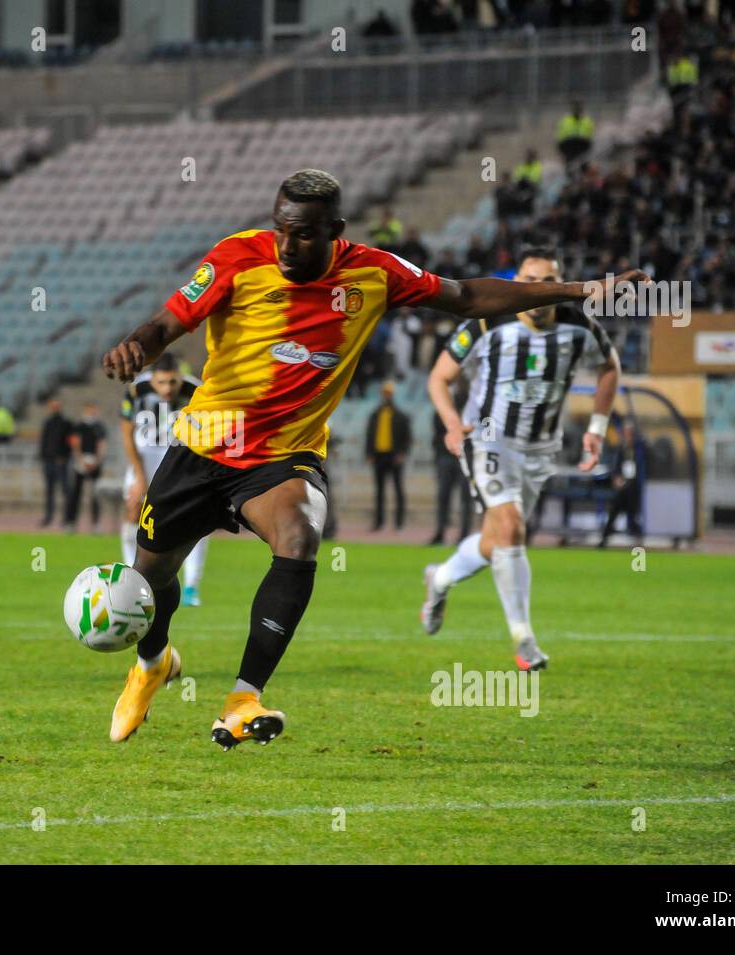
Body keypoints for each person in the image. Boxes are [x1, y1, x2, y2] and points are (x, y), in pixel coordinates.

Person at [101, 170, 636, 748]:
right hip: (202, 445)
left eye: (304, 234)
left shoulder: (374, 273)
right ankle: (153, 663)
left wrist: (579, 290)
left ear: (335, 231)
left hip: (283, 456)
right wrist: (137, 345)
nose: (287, 245)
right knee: (148, 583)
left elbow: (466, 297)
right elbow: (165, 324)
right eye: (282, 228)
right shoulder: (235, 256)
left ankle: (243, 697)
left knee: (299, 536)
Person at [422, 248, 636, 671]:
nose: (537, 292)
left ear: (559, 283)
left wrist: (595, 429)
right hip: (487, 440)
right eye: (529, 281)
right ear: (517, 283)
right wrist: (450, 423)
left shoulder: (580, 327)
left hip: (540, 449)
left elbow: (610, 367)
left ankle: (440, 578)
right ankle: (524, 641)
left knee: (497, 541)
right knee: (511, 525)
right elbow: (439, 377)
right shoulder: (486, 321)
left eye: (547, 282)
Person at [119, 353, 209, 606]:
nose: (167, 389)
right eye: (161, 383)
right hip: (145, 453)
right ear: (153, 378)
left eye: (172, 382)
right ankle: (132, 576)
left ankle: (191, 586)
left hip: (179, 453)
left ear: (180, 378)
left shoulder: (197, 390)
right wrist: (139, 475)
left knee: (197, 518)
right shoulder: (137, 391)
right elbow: (127, 435)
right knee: (134, 510)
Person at [429, 378, 472, 545]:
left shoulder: (473, 404)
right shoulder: (443, 408)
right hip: (447, 456)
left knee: (465, 499)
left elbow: (485, 426)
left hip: (466, 457)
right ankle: (440, 532)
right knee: (443, 496)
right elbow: (437, 431)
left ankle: (464, 534)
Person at [365, 380, 411, 532]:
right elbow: (369, 435)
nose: (386, 396)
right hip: (379, 456)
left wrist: (402, 453)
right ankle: (378, 522)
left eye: (389, 393)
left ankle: (399, 523)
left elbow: (407, 438)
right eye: (385, 393)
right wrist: (369, 453)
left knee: (398, 490)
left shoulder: (401, 415)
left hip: (394, 456)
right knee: (379, 491)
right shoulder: (374, 415)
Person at [598, 420, 646, 546]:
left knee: (631, 511)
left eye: (629, 433)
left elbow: (641, 468)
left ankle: (636, 537)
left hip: (633, 486)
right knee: (614, 511)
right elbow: (615, 468)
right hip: (622, 486)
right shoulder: (620, 449)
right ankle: (605, 538)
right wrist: (617, 479)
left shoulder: (638, 449)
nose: (627, 436)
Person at [64, 402, 106, 532]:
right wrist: (81, 460)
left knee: (96, 494)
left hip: (95, 463)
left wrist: (97, 461)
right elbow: (75, 444)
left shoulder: (99, 426)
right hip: (81, 463)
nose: (92, 412)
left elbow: (102, 444)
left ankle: (96, 524)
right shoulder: (78, 426)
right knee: (75, 493)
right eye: (90, 410)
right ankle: (71, 523)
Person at [38, 398, 72, 527]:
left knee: (65, 491)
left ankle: (66, 518)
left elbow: (70, 442)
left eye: (56, 406)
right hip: (48, 461)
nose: (54, 408)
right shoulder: (47, 423)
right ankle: (48, 517)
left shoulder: (66, 423)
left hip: (61, 462)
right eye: (52, 406)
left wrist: (64, 456)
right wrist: (43, 456)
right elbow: (44, 441)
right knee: (49, 491)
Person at [556, 101, 595, 167]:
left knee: (584, 161)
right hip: (569, 145)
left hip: (582, 145)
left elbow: (590, 136)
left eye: (578, 108)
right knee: (569, 163)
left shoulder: (587, 121)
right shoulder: (565, 120)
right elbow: (560, 137)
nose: (577, 110)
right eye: (575, 108)